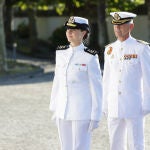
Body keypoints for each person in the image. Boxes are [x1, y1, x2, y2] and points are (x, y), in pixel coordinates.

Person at [49, 16, 102, 150]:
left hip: (82, 112)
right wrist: (54, 107)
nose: (69, 32)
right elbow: (57, 81)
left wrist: (96, 116)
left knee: (80, 148)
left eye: (73, 29)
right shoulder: (61, 52)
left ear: (83, 33)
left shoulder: (90, 56)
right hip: (63, 110)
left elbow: (97, 88)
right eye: (68, 29)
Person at [102, 11, 150, 150]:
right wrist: (105, 103)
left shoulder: (141, 48)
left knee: (136, 143)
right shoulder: (109, 49)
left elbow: (148, 77)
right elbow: (107, 79)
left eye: (122, 25)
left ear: (131, 26)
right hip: (114, 105)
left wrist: (147, 103)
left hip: (134, 105)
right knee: (115, 144)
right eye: (115, 25)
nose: (118, 28)